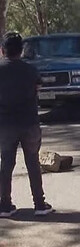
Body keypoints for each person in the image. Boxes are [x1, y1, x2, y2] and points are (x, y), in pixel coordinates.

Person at [0, 32, 53, 217]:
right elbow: (38, 87)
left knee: (6, 164)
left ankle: (5, 205)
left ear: (2, 50)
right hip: (29, 122)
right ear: (21, 51)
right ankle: (39, 204)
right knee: (32, 163)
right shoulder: (31, 70)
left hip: (5, 124)